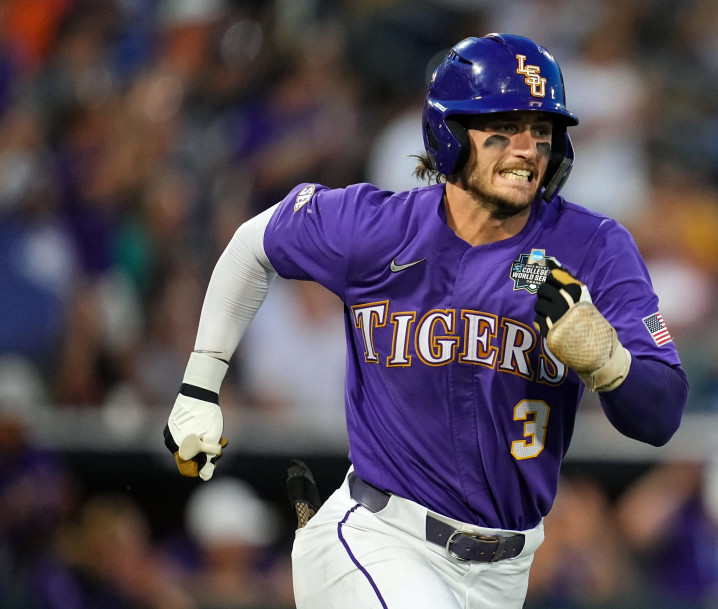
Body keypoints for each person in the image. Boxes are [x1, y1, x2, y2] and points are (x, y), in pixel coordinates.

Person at [163, 33, 688, 609]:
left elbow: (661, 413)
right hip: (380, 537)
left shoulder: (592, 247)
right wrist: (200, 383)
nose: (527, 147)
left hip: (505, 572)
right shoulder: (378, 228)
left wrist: (610, 363)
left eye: (541, 130)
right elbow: (252, 244)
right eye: (504, 127)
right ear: (450, 133)